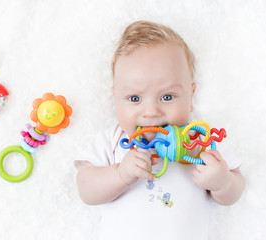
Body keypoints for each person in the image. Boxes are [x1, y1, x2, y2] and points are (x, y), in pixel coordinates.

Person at [75, 20, 245, 240]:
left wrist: (223, 182)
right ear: (116, 98)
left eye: (167, 97)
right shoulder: (113, 140)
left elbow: (235, 189)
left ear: (191, 95)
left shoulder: (201, 141)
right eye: (134, 98)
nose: (151, 111)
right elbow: (86, 189)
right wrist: (120, 174)